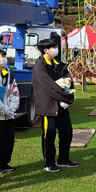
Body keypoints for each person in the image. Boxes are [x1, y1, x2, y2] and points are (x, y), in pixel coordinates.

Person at [32, 38, 77, 173]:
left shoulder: (58, 64)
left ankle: (63, 159)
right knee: (48, 135)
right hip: (48, 105)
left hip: (61, 105)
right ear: (45, 50)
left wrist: (68, 93)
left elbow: (68, 79)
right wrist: (66, 97)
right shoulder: (40, 66)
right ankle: (49, 162)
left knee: (66, 132)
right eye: (53, 47)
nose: (56, 50)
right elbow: (49, 86)